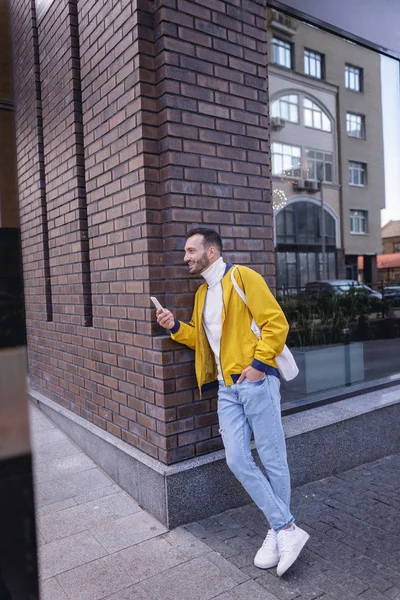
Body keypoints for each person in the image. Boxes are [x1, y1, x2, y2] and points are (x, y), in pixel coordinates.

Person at [156, 228, 309, 576]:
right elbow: (203, 340)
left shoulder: (242, 277)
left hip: (256, 381)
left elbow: (275, 323)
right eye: (185, 252)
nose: (186, 257)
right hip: (227, 389)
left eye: (191, 250)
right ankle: (285, 527)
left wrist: (257, 367)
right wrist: (175, 326)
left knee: (272, 458)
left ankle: (278, 531)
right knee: (238, 458)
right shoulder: (201, 294)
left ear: (211, 252)